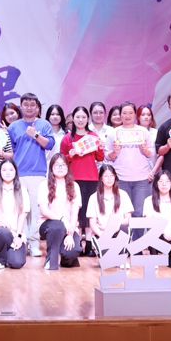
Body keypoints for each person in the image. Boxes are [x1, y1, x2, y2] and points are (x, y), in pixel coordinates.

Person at [6, 92, 54, 258]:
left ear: (38, 108)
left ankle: (33, 244)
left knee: (34, 211)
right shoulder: (13, 127)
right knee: (19, 210)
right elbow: (11, 151)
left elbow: (50, 144)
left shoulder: (44, 124)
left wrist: (35, 134)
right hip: (18, 174)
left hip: (38, 174)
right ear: (21, 106)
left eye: (32, 105)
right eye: (25, 104)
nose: (29, 107)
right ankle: (19, 241)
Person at [103, 102, 153, 232]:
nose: (127, 115)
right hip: (121, 178)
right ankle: (124, 241)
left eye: (130, 113)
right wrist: (114, 151)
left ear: (135, 114)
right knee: (122, 212)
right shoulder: (114, 133)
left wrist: (145, 149)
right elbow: (107, 156)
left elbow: (152, 153)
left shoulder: (143, 132)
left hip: (141, 178)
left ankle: (137, 242)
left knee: (139, 212)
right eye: (124, 113)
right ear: (120, 114)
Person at [60, 105, 103, 245]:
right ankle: (76, 241)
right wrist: (70, 155)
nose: (80, 120)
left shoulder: (93, 136)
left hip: (91, 178)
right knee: (76, 211)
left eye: (83, 117)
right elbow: (61, 160)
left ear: (87, 119)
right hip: (73, 179)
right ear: (73, 119)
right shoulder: (67, 138)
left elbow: (100, 158)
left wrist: (100, 148)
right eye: (77, 117)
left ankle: (90, 244)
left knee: (89, 211)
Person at [0, 159, 29, 270]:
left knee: (17, 263)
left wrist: (18, 236)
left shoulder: (22, 190)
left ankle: (8, 253)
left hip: (15, 233)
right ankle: (1, 259)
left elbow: (22, 215)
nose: (7, 172)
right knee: (4, 233)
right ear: (0, 172)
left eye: (11, 170)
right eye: (4, 170)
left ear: (15, 172)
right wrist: (1, 224)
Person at [37, 155, 82, 270]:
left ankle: (66, 258)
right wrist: (62, 219)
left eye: (63, 165)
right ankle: (50, 260)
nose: (60, 167)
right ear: (51, 168)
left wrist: (70, 234)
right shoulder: (44, 184)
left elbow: (75, 213)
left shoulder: (75, 186)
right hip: (48, 224)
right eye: (57, 165)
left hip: (69, 227)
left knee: (72, 251)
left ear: (68, 167)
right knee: (58, 226)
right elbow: (44, 210)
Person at [86, 164, 133, 254]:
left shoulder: (123, 194)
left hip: (118, 231)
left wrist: (116, 225)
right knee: (107, 258)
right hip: (101, 233)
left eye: (112, 176)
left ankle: (121, 255)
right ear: (101, 178)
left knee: (125, 229)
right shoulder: (93, 197)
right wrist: (103, 235)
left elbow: (128, 219)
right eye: (106, 176)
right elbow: (92, 223)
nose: (109, 178)